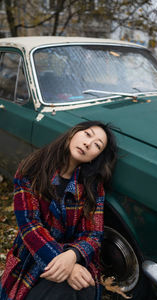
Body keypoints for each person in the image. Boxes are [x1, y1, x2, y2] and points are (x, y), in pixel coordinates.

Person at [0, 120, 117, 300]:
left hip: (76, 254)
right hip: (34, 252)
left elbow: (93, 233)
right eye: (87, 134)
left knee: (82, 288)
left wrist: (72, 256)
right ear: (74, 132)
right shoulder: (33, 167)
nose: (88, 143)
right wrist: (64, 264)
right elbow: (29, 224)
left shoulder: (93, 184)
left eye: (97, 145)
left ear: (96, 157)